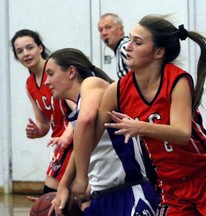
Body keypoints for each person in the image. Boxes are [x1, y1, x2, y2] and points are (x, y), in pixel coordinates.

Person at [103, 15, 206, 216]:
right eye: (129, 39)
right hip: (170, 186)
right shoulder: (119, 89)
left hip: (205, 176)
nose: (128, 46)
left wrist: (139, 127)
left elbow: (181, 133)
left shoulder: (177, 81)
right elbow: (90, 125)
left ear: (159, 52)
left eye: (137, 42)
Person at [45, 48, 159, 216]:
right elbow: (82, 148)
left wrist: (81, 178)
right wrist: (63, 188)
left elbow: (86, 120)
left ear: (71, 72)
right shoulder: (79, 105)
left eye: (51, 73)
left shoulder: (92, 83)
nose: (46, 81)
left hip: (129, 194)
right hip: (102, 198)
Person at [11, 29, 74, 194]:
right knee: (66, 198)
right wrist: (36, 130)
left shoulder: (55, 70)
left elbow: (81, 110)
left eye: (29, 47)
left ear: (40, 47)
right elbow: (43, 124)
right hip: (61, 141)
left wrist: (67, 136)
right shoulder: (30, 84)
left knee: (51, 195)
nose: (25, 54)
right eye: (20, 51)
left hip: (75, 138)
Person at [98, 13, 130, 79]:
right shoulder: (120, 49)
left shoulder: (125, 48)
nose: (104, 33)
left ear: (121, 30)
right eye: (100, 30)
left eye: (108, 28)